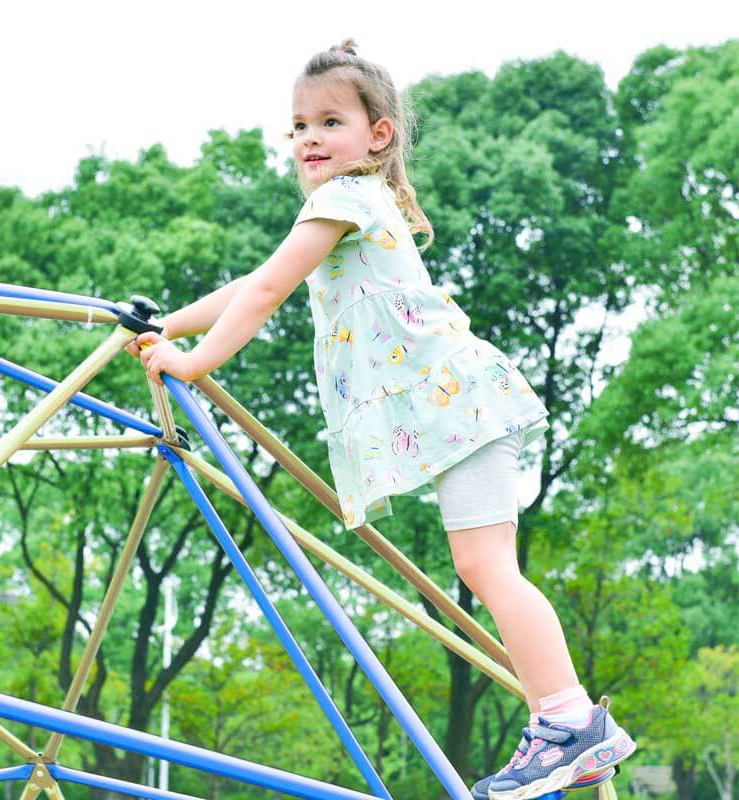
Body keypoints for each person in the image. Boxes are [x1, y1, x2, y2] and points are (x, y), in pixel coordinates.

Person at [128, 39, 635, 800]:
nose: (307, 138)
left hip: (457, 404)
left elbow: (264, 290)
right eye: (297, 125)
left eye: (328, 121)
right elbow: (251, 282)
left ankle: (568, 722)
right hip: (460, 406)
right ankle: (558, 722)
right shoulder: (351, 207)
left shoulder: (346, 198)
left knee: (487, 567)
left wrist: (194, 363)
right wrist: (171, 327)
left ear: (378, 135)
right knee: (485, 564)